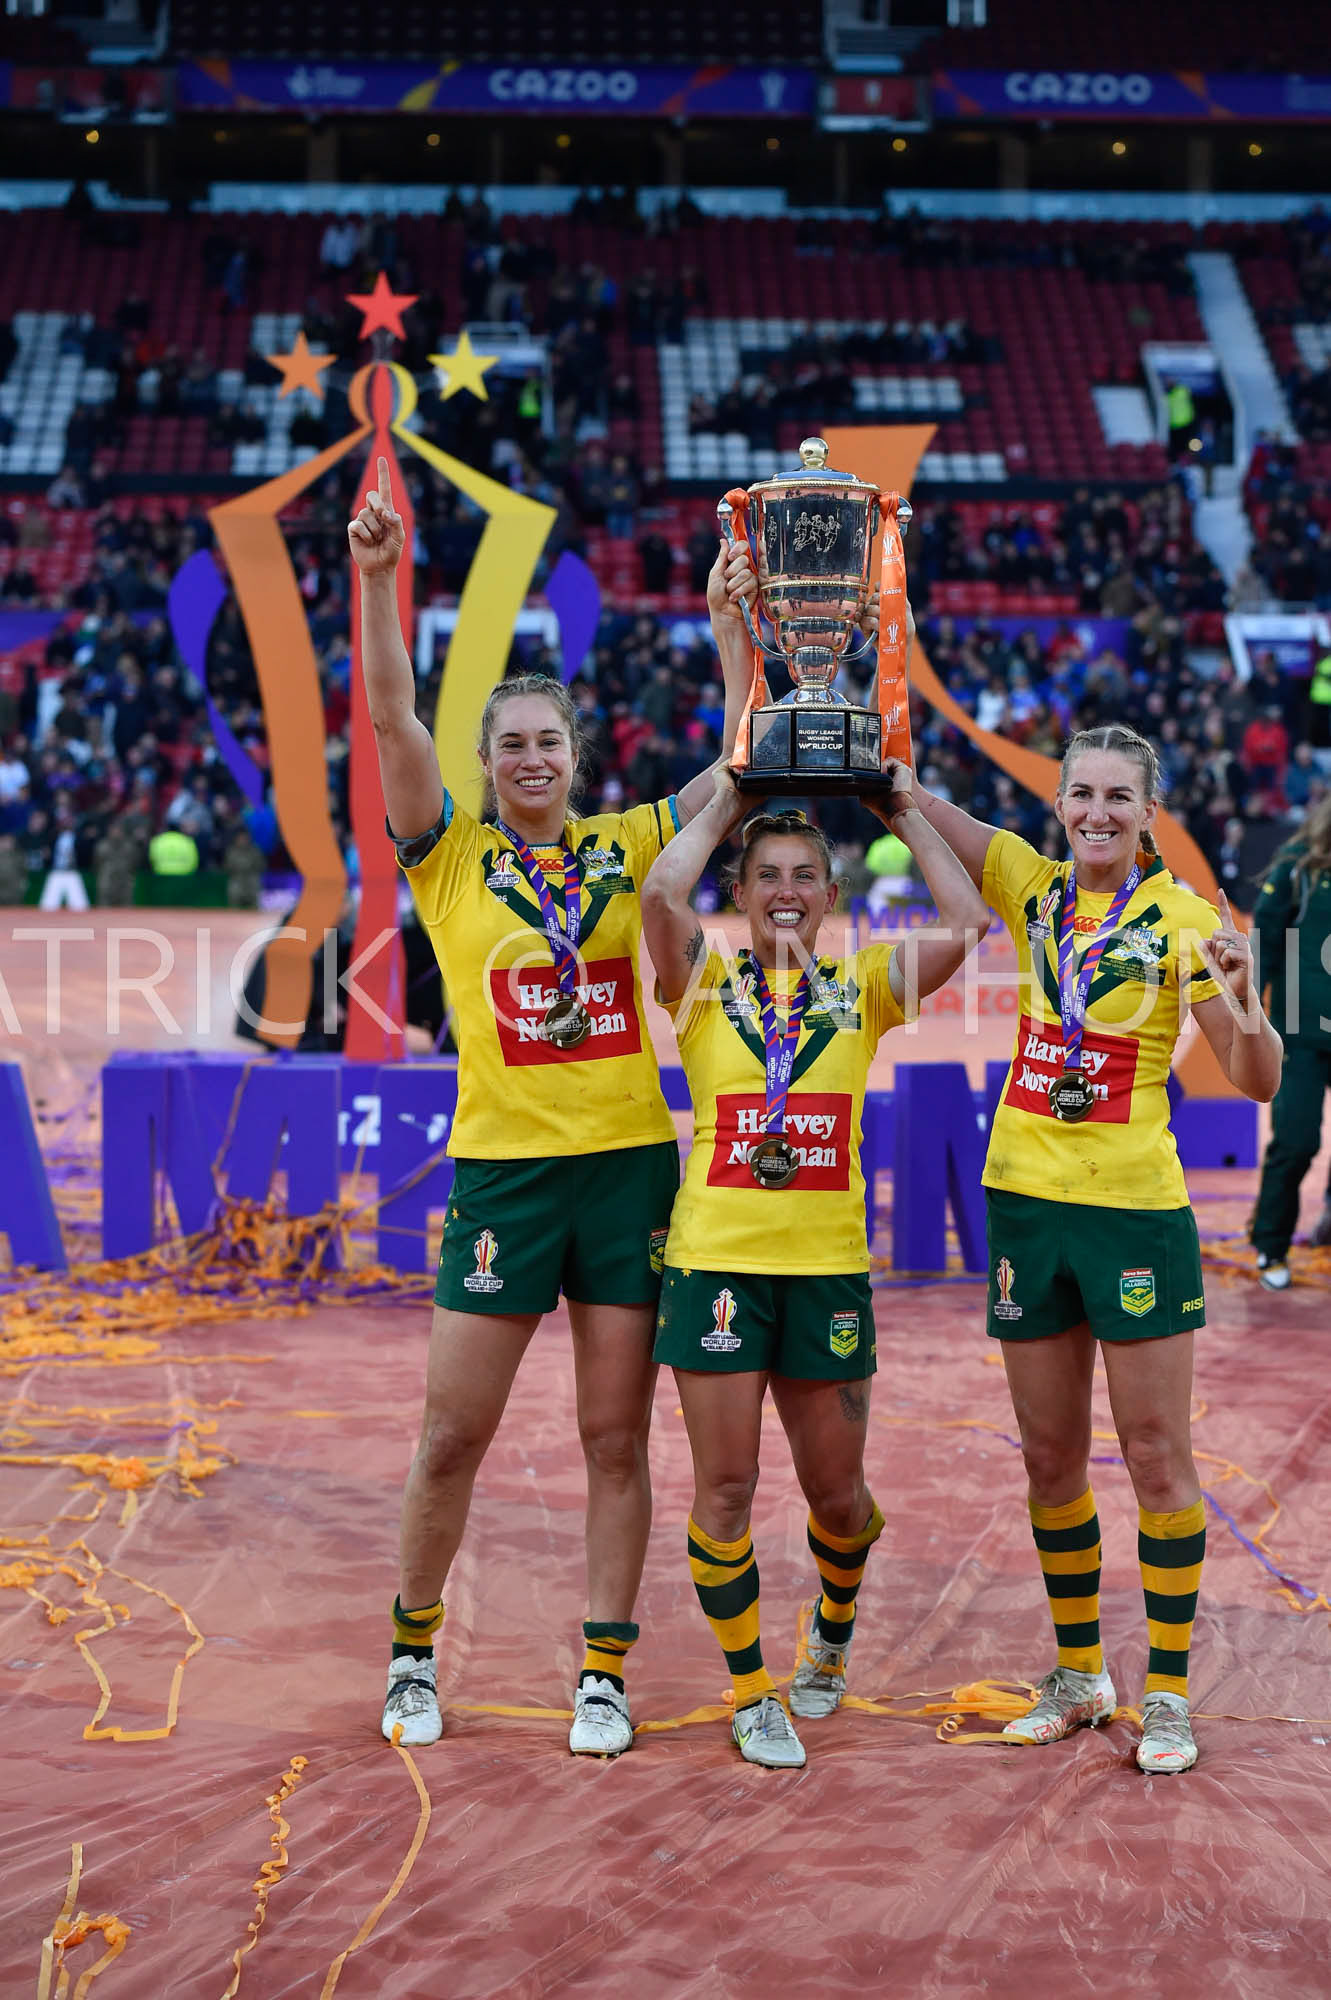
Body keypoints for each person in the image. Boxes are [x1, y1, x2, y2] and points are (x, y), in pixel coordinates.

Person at [349, 458, 755, 1755]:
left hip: (629, 1169)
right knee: (450, 1433)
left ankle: (603, 1673)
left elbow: (735, 774)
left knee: (611, 1438)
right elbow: (386, 723)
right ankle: (412, 1655)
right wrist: (372, 578)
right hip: (505, 1179)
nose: (530, 758)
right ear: (484, 763)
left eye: (548, 741)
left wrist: (732, 632)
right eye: (510, 744)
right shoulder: (448, 858)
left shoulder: (628, 843)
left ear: (578, 757)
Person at [912, 720, 1281, 1775]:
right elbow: (934, 805)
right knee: (1047, 1457)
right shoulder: (1029, 888)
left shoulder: (1181, 915)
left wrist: (1248, 998)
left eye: (1118, 797)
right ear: (1059, 803)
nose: (1096, 813)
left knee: (1156, 1454)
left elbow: (1253, 1081)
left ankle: (1164, 1693)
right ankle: (1079, 1672)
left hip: (1131, 1210)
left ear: (1147, 813)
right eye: (1081, 794)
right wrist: (880, 752)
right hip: (1024, 1202)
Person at [641, 774, 990, 1768]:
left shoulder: (862, 988)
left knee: (835, 1499)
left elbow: (967, 920)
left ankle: (830, 1629)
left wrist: (900, 812)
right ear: (741, 892)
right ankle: (752, 1691)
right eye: (765, 877)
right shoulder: (700, 983)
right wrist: (727, 801)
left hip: (827, 1274)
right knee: (726, 1487)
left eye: (803, 876)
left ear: (829, 895)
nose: (785, 891)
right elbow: (660, 897)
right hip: (715, 1264)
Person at [1249, 795, 1331, 1287]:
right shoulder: (1299, 868)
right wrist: (1249, 1012)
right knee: (1297, 1142)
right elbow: (1265, 940)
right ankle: (1270, 1245)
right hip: (1301, 1034)